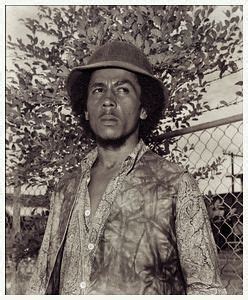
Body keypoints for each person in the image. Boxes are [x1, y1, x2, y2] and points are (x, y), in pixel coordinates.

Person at [27, 40, 226, 295]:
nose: (108, 100)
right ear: (86, 110)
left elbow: (207, 289)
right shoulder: (65, 188)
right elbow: (41, 282)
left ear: (143, 108)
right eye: (98, 90)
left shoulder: (176, 185)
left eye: (123, 90)